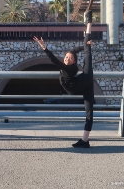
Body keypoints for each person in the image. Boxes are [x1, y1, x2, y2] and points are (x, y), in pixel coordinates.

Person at [34, 10, 94, 148]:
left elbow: (54, 60)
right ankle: (85, 141)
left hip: (81, 84)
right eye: (66, 57)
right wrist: (85, 45)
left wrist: (44, 48)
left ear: (73, 62)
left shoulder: (68, 68)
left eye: (70, 58)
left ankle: (89, 23)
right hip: (84, 83)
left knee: (88, 54)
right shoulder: (69, 64)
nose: (67, 59)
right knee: (86, 49)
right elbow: (76, 50)